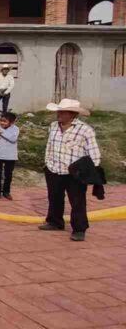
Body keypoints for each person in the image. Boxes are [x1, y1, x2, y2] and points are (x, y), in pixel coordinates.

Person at [39, 99, 101, 242]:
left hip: (75, 173)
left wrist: (89, 171)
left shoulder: (85, 130)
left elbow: (94, 154)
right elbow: (49, 146)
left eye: (62, 112)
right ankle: (55, 222)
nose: (58, 114)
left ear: (72, 114)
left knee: (77, 201)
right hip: (54, 169)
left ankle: (79, 229)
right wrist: (47, 162)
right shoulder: (53, 126)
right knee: (54, 197)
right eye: (58, 111)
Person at [0, 111, 19, 200]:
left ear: (11, 122)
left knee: (8, 174)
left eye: (5, 121)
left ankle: (6, 192)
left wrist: (1, 132)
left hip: (10, 156)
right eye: (1, 120)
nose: (2, 123)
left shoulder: (15, 129)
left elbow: (13, 139)